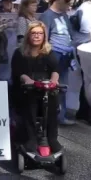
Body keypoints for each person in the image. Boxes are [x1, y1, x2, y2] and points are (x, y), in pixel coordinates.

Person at [11, 21, 61, 153]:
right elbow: (18, 73)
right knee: (30, 100)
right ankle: (31, 138)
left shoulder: (49, 53)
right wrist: (28, 80)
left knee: (51, 101)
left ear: (44, 36)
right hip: (27, 89)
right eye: (34, 33)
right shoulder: (19, 53)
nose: (37, 36)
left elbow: (55, 69)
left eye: (40, 33)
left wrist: (54, 80)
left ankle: (52, 138)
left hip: (46, 88)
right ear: (28, 35)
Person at [38, 0, 76, 125]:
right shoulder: (46, 16)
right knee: (53, 86)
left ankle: (60, 116)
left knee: (62, 87)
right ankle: (51, 117)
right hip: (54, 54)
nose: (70, 4)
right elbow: (44, 40)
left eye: (72, 1)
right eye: (67, 1)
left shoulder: (64, 15)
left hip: (65, 54)